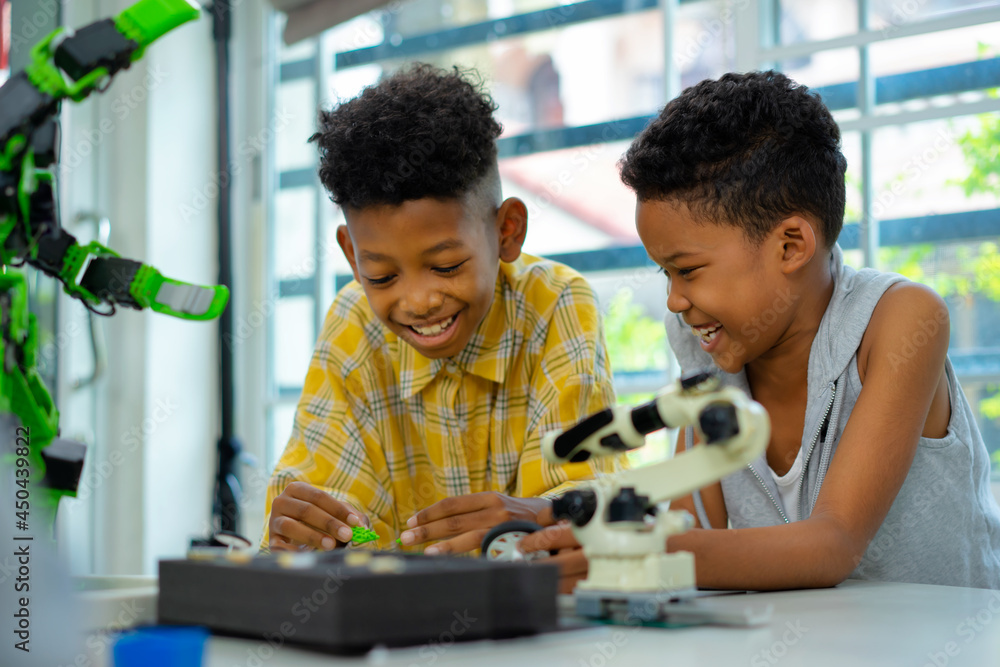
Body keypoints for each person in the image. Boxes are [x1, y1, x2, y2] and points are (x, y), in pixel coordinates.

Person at [520, 70, 1000, 590]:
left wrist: (642, 553)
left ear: (791, 245)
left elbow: (831, 544)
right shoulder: (706, 341)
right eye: (665, 272)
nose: (675, 300)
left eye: (688, 270)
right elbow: (685, 523)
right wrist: (544, 521)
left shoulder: (903, 319)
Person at [262, 64, 623, 555]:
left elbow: (587, 505)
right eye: (383, 277)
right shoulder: (354, 323)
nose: (417, 301)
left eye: (447, 265)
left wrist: (536, 518)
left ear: (507, 232)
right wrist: (325, 532)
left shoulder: (556, 305)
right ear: (351, 255)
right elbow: (367, 537)